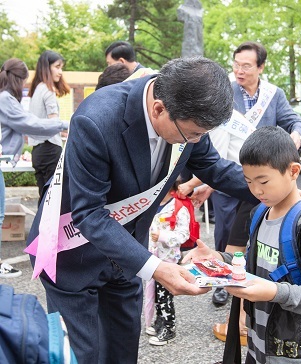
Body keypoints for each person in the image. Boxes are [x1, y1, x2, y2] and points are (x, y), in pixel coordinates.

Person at [26, 57, 260, 363]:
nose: (197, 141)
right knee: (83, 356)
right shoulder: (97, 119)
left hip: (128, 257)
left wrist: (277, 189)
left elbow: (214, 168)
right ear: (159, 109)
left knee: (123, 353)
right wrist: (157, 269)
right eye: (193, 134)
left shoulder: (188, 119)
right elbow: (90, 215)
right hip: (73, 253)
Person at [184, 126, 301, 364]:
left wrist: (272, 292)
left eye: (263, 181)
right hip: (259, 343)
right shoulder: (259, 212)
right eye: (248, 182)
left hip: (294, 351)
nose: (256, 190)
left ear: (294, 171)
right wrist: (217, 258)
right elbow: (250, 263)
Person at [179, 41, 301, 309]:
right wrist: (206, 183)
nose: (239, 70)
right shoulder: (224, 90)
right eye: (236, 64)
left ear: (261, 67)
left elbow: (294, 121)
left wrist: (295, 136)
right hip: (226, 175)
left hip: (263, 178)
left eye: (246, 65)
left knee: (259, 228)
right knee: (225, 228)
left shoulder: (273, 95)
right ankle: (222, 280)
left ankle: (258, 277)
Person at [0, 58, 68, 279]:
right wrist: (64, 124)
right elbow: (29, 123)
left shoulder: (6, 98)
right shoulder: (6, 99)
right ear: (18, 79)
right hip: (48, 149)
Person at [144, 178, 192, 346]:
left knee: (165, 295)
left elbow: (183, 234)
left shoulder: (179, 207)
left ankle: (169, 327)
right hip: (153, 256)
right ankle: (159, 321)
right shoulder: (151, 204)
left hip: (169, 258)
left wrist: (163, 237)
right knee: (156, 292)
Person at [28, 50, 71, 199]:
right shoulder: (48, 90)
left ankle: (39, 223)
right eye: (57, 67)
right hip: (50, 149)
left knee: (44, 197)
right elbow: (54, 123)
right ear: (47, 68)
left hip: (37, 151)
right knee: (54, 200)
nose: (60, 72)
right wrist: (70, 127)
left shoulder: (36, 90)